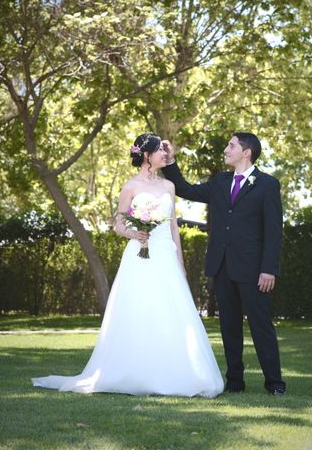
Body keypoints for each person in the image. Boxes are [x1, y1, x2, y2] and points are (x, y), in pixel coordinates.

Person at [32, 133, 224, 398]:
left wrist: (179, 261)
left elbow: (172, 227)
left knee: (171, 311)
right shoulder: (130, 187)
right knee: (140, 309)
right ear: (147, 155)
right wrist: (135, 233)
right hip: (139, 255)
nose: (164, 155)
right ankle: (135, 372)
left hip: (165, 255)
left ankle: (178, 372)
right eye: (160, 151)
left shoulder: (169, 186)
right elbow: (118, 225)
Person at [162, 133, 286, 395]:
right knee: (229, 327)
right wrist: (170, 163)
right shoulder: (220, 181)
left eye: (232, 145)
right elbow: (185, 189)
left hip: (254, 271)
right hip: (222, 266)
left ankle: (275, 383)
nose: (226, 149)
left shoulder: (267, 185)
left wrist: (269, 269)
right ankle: (235, 381)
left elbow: (274, 231)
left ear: (247, 152)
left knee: (261, 326)